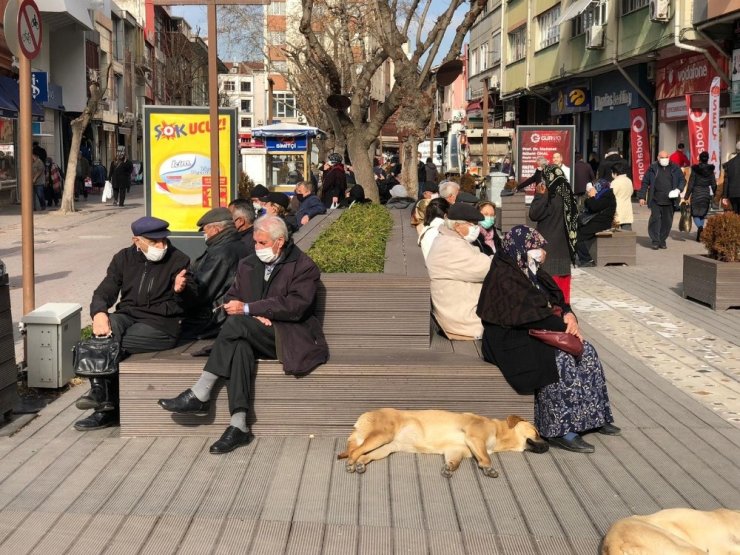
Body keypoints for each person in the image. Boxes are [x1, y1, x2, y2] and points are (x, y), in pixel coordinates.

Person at [158, 216, 329, 454]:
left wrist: (251, 309)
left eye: (261, 243)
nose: (257, 247)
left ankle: (200, 392)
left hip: (288, 335)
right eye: (255, 242)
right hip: (250, 331)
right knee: (239, 345)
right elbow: (232, 298)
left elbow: (296, 306)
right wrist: (248, 313)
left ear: (279, 242)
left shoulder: (303, 266)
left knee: (238, 326)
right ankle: (238, 426)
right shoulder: (249, 263)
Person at [477, 225, 619, 453]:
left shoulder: (530, 269)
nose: (542, 252)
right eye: (536, 247)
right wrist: (566, 326)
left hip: (540, 328)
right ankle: (560, 429)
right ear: (522, 248)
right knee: (558, 359)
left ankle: (594, 416)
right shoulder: (505, 274)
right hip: (510, 338)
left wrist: (568, 314)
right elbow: (527, 315)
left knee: (587, 351)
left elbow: (557, 299)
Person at [75, 217, 190, 431]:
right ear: (137, 241)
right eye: (154, 242)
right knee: (107, 328)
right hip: (128, 315)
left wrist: (179, 290)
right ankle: (102, 397)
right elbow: (104, 291)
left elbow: (192, 300)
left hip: (162, 323)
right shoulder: (123, 258)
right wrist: (99, 313)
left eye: (164, 240)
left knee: (110, 346)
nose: (161, 246)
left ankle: (103, 405)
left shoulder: (178, 259)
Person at [179, 208, 250, 341]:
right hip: (224, 314)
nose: (204, 234)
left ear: (216, 229)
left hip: (214, 318)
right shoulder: (238, 244)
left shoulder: (220, 253)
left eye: (205, 230)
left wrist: (180, 290)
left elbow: (202, 291)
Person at [425, 203, 491, 339]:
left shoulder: (447, 240)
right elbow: (487, 268)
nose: (476, 228)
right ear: (457, 226)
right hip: (464, 322)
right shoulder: (451, 246)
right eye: (472, 224)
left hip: (460, 313)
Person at [528, 165, 578, 303]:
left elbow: (533, 214)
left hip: (547, 252)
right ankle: (564, 318)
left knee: (546, 293)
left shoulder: (549, 197)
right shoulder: (569, 197)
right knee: (562, 295)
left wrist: (539, 196)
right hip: (564, 253)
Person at [639, 150, 685, 249]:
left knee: (667, 222)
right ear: (658, 158)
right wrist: (642, 196)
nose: (664, 159)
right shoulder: (653, 168)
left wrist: (678, 190)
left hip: (670, 201)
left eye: (666, 157)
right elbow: (645, 182)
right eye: (662, 157)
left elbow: (682, 180)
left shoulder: (675, 168)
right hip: (656, 199)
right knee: (655, 220)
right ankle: (655, 240)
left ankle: (662, 240)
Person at [575, 178, 617, 267]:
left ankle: (587, 260)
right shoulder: (601, 194)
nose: (594, 189)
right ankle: (581, 257)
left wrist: (592, 196)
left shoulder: (607, 195)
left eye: (596, 187)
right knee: (576, 228)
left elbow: (594, 207)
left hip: (601, 223)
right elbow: (588, 205)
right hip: (596, 221)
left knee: (578, 235)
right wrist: (590, 196)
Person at [683, 151, 717, 242]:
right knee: (702, 214)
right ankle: (701, 233)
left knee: (695, 214)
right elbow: (714, 184)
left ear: (700, 159)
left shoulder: (695, 169)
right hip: (706, 193)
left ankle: (700, 227)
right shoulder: (710, 170)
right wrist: (716, 195)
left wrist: (686, 196)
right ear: (707, 159)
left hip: (696, 193)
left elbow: (691, 184)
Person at [610, 161, 634, 230]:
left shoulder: (615, 182)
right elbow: (631, 192)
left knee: (614, 233)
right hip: (627, 209)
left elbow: (611, 195)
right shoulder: (628, 180)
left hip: (617, 210)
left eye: (612, 172)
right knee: (627, 233)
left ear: (615, 173)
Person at [722, 142, 740, 214]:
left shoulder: (729, 163)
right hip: (734, 193)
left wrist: (725, 196)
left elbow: (726, 180)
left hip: (733, 193)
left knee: (736, 214)